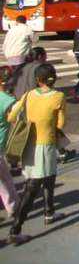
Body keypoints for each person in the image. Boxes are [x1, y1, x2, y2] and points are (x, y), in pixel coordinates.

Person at [7, 64, 65, 244]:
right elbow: (60, 124)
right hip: (46, 144)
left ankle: (49, 211)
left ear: (38, 80)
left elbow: (11, 116)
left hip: (29, 144)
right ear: (53, 79)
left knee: (47, 176)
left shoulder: (29, 95)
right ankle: (16, 228)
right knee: (33, 187)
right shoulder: (58, 97)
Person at [0, 67, 19, 222]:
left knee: (4, 177)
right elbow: (17, 118)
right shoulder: (7, 100)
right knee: (5, 178)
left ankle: (13, 205)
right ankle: (13, 207)